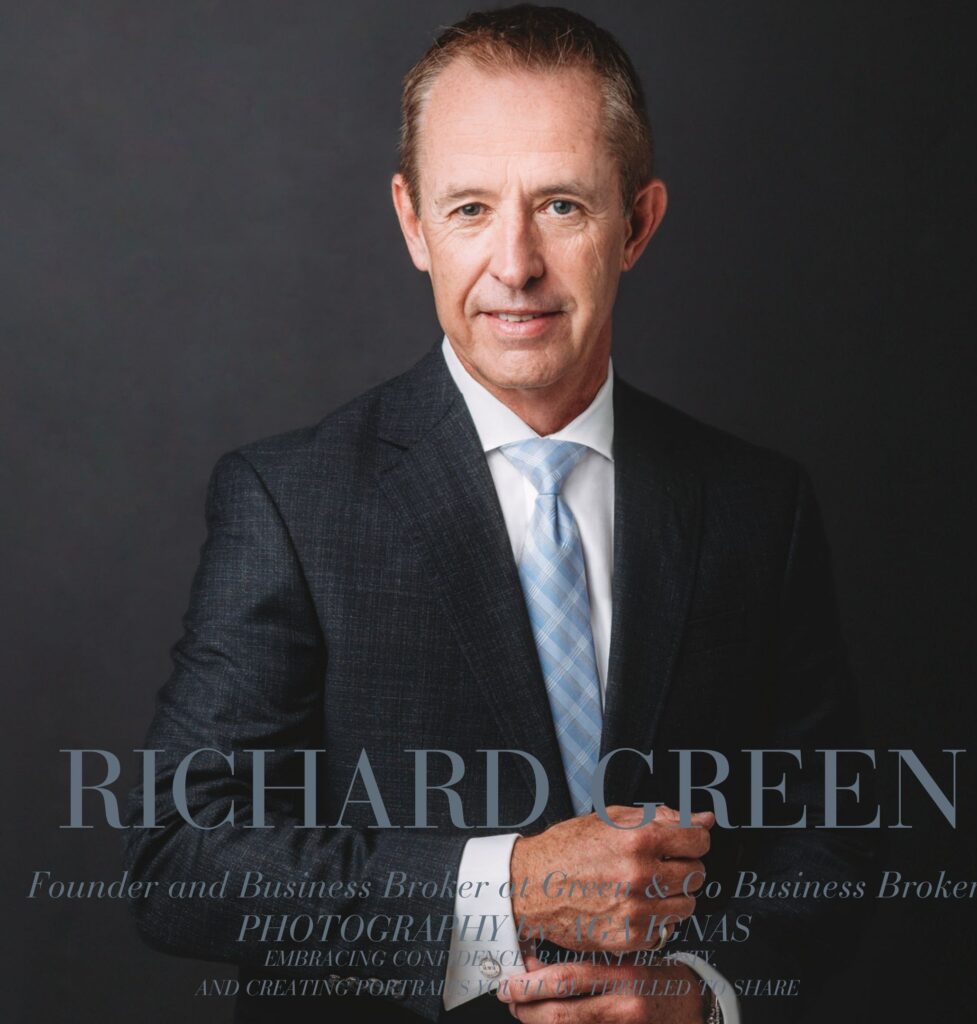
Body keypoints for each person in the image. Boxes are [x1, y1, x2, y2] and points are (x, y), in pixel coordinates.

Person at [126, 6, 871, 1022]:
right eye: (470, 207)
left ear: (637, 224)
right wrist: (506, 886)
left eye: (560, 205)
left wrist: (702, 994)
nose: (513, 264)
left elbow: (835, 834)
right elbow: (179, 850)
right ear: (411, 223)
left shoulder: (756, 504)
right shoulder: (290, 501)